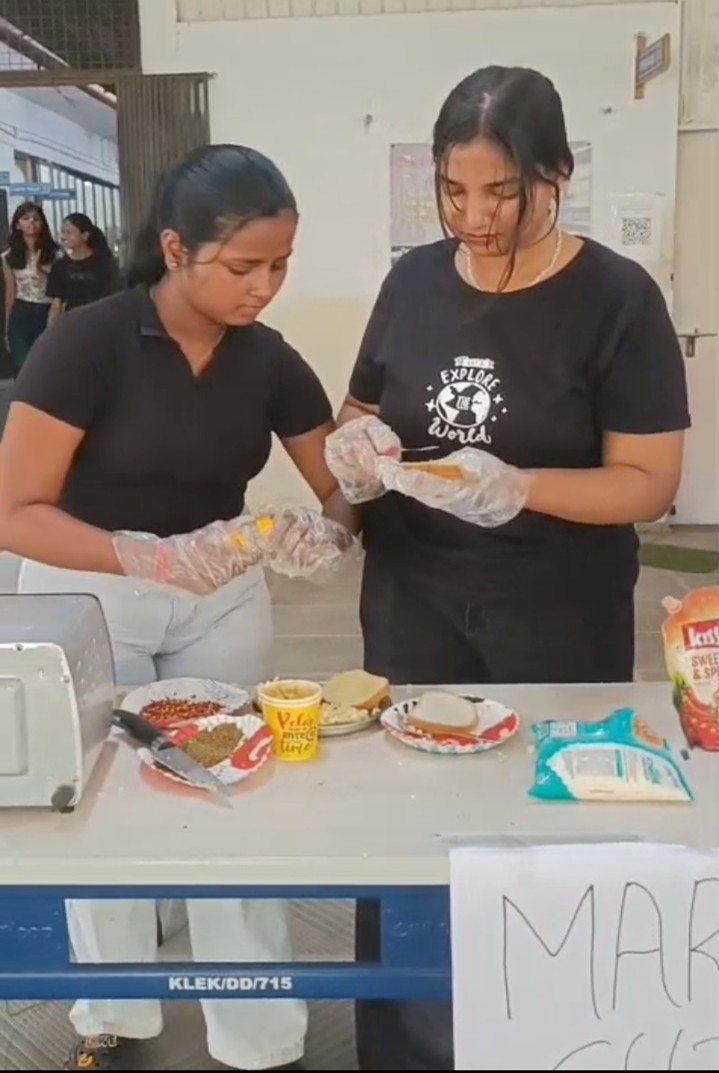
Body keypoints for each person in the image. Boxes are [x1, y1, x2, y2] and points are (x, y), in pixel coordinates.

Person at [325, 66, 690, 1070]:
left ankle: (546, 1038)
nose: (474, 217)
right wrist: (348, 470)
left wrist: (515, 486)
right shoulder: (411, 281)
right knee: (404, 826)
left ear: (556, 176)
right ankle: (403, 1046)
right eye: (453, 191)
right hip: (412, 599)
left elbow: (648, 480)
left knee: (540, 825)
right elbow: (365, 415)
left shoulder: (615, 298)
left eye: (500, 193)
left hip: (553, 607)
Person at [0, 143, 356, 1072]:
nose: (264, 288)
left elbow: (338, 484)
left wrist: (330, 528)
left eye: (280, 266)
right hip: (91, 591)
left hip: (218, 589)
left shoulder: (267, 359)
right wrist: (141, 553)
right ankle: (114, 1017)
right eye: (243, 267)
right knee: (103, 810)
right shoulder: (89, 344)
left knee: (237, 790)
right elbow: (12, 510)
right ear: (175, 247)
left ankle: (261, 1034)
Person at [1, 201, 58, 373]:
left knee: (43, 362)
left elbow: (60, 288)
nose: (31, 222)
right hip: (21, 310)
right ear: (18, 224)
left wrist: (41, 271)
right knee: (22, 362)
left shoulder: (55, 254)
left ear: (42, 224)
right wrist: (6, 324)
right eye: (26, 218)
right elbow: (11, 290)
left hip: (47, 309)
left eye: (36, 219)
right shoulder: (8, 257)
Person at [47, 212, 122, 319]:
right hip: (72, 323)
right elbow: (57, 303)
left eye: (69, 232)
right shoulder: (60, 266)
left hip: (101, 320)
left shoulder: (104, 263)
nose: (64, 237)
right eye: (62, 232)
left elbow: (114, 296)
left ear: (85, 235)